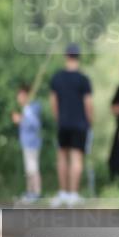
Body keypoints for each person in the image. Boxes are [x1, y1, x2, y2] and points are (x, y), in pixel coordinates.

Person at [49, 43, 93, 207]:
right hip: (80, 124)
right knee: (76, 158)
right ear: (78, 57)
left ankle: (63, 193)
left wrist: (58, 118)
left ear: (66, 56)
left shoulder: (57, 77)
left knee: (61, 157)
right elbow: (88, 104)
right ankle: (73, 195)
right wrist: (90, 122)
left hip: (63, 123)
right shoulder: (83, 79)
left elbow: (53, 102)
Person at [12, 84, 43, 203]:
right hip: (26, 143)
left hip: (32, 143)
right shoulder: (26, 109)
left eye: (19, 96)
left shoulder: (32, 108)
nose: (18, 99)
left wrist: (21, 119)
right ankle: (30, 192)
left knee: (33, 168)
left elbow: (35, 125)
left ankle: (36, 193)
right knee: (29, 169)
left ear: (25, 96)